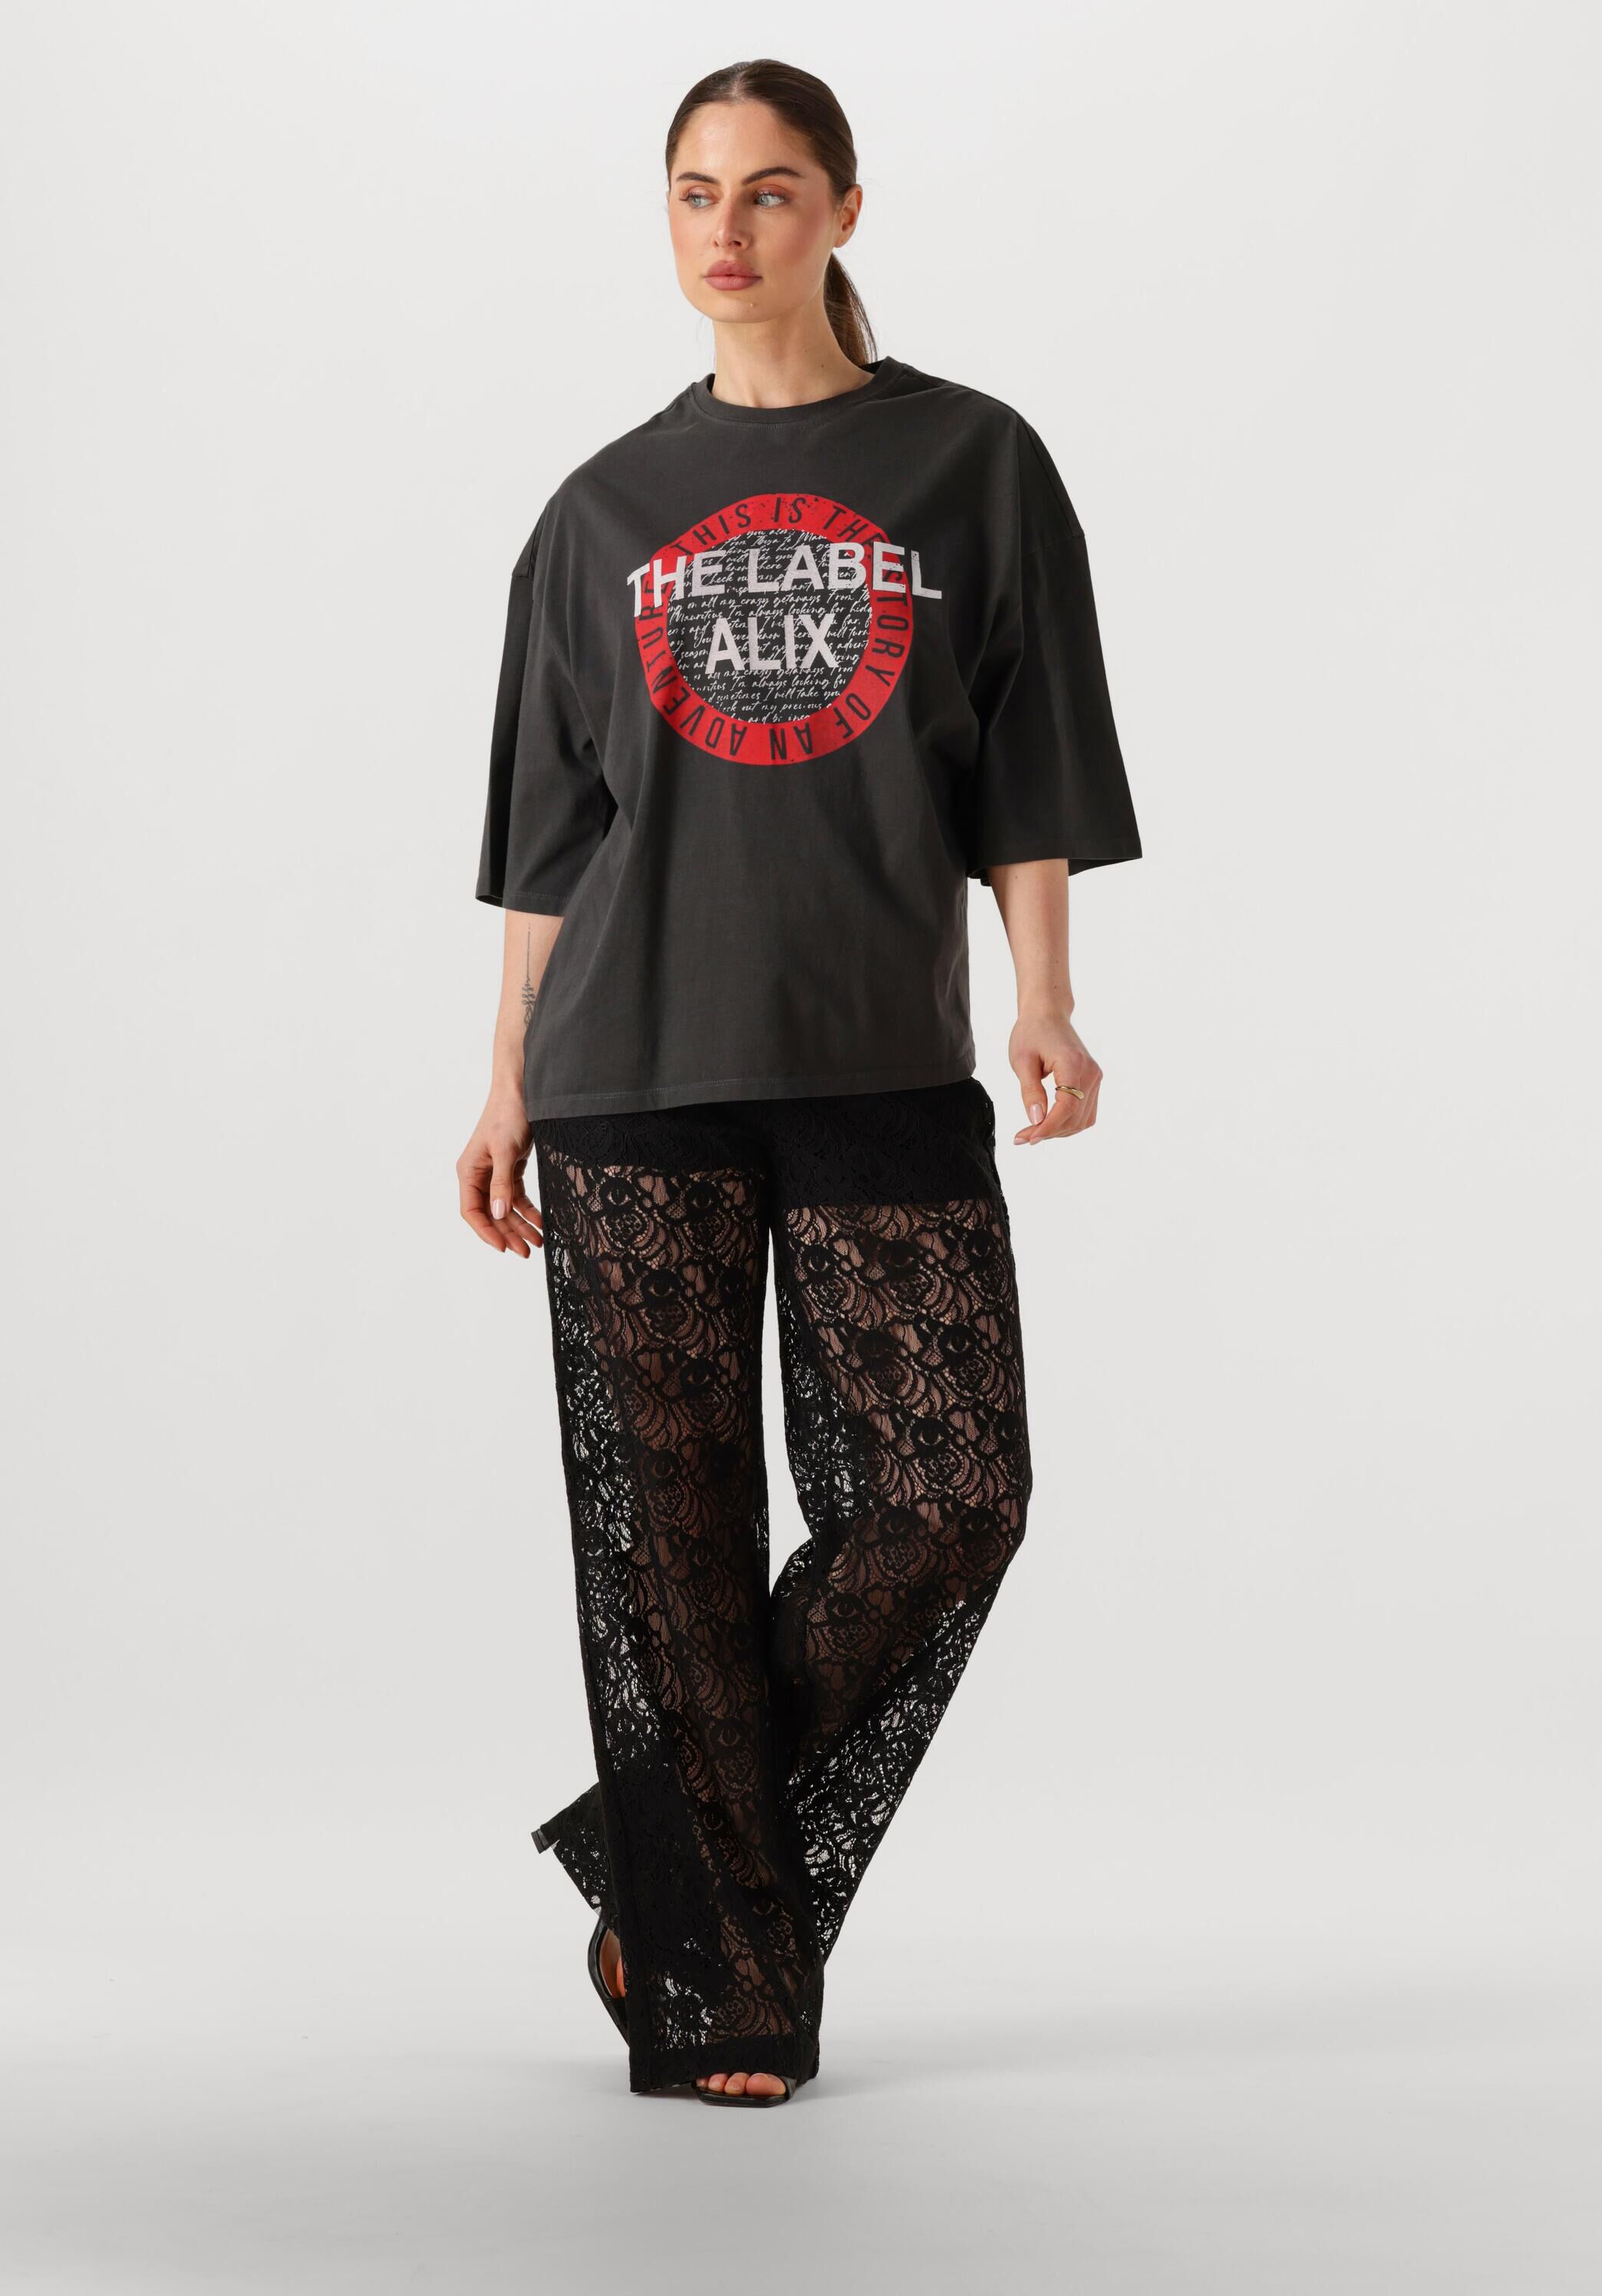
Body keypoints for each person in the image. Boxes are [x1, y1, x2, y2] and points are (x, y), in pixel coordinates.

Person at [457, 57, 1140, 2107]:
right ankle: (719, 1994)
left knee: (946, 1498)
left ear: (843, 208)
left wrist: (1043, 994)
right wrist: (501, 1081)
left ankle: (656, 1856)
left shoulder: (969, 462)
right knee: (662, 1534)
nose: (726, 232)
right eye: (692, 193)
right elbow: (550, 834)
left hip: (873, 1052)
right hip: (625, 1067)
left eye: (767, 191)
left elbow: (1030, 758)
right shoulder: (600, 510)